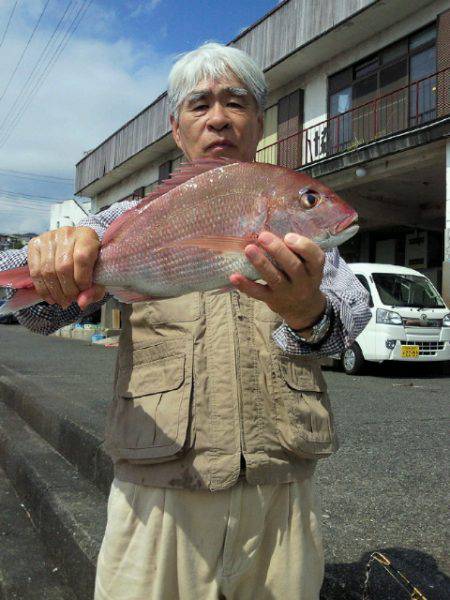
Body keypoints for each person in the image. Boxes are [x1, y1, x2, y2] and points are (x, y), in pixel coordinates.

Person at [1, 43, 371, 600]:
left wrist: (306, 313)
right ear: (177, 129)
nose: (218, 118)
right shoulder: (128, 216)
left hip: (281, 495)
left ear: (259, 123)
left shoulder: (301, 226)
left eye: (235, 102)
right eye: (199, 105)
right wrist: (54, 256)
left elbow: (350, 323)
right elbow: (35, 310)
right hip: (158, 496)